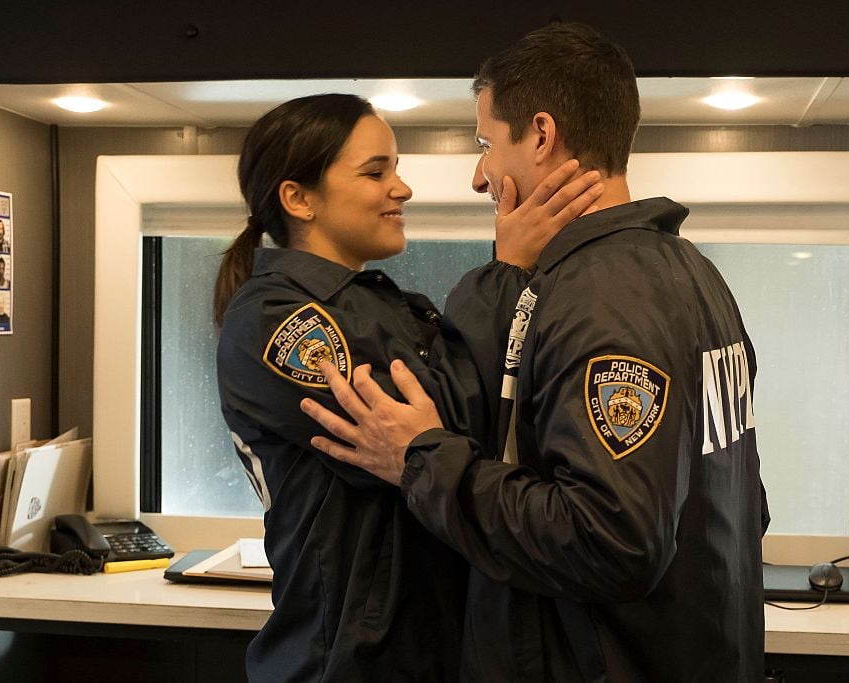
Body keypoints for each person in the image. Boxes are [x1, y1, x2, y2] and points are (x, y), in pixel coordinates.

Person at [302, 22, 769, 682]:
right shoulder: (693, 274)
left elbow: (613, 539)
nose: (479, 176)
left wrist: (421, 459)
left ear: (542, 136)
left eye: (486, 145)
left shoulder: (601, 293)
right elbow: (743, 505)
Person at [214, 93, 601, 682]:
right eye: (376, 173)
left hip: (417, 651)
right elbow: (435, 431)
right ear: (298, 199)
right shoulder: (274, 321)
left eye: (395, 168)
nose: (402, 188)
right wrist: (506, 270)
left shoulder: (381, 305)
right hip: (348, 663)